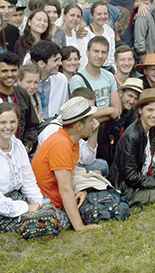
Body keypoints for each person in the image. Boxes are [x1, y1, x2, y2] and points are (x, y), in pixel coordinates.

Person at [0, 102, 61, 238]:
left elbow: (28, 181)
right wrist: (26, 208)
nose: (8, 127)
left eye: (12, 122)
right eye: (3, 122)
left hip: (16, 197)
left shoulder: (18, 144)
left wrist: (40, 202)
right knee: (37, 224)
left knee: (56, 217)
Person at [29, 98, 114, 232]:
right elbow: (65, 188)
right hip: (50, 205)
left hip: (58, 200)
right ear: (79, 126)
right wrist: (80, 227)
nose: (94, 123)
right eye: (90, 120)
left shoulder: (71, 140)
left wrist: (81, 189)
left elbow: (70, 177)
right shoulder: (62, 144)